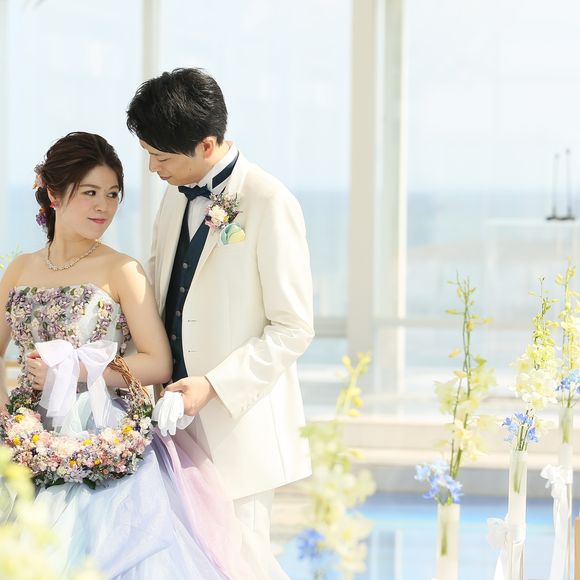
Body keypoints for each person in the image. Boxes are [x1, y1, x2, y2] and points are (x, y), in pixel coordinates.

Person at [0, 132, 255, 579]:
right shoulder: (21, 268)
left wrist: (77, 369)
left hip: (101, 430)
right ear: (54, 194)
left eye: (113, 194)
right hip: (25, 431)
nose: (104, 206)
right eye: (90, 193)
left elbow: (157, 361)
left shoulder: (122, 269)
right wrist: (8, 421)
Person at [126, 68, 315, 578]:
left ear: (206, 145)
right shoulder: (175, 193)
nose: (152, 168)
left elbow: (293, 327)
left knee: (241, 564)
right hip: (169, 422)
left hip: (236, 427)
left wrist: (211, 385)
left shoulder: (270, 201)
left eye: (161, 157)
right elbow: (161, 293)